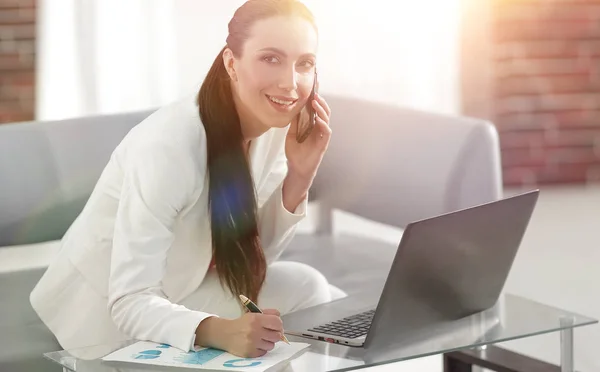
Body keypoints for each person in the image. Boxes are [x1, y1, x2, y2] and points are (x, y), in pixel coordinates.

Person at [30, 0, 342, 359]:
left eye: (304, 63)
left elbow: (252, 260)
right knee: (307, 303)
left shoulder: (274, 129)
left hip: (186, 289)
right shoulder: (169, 147)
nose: (291, 84)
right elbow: (129, 300)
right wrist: (219, 331)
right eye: (271, 58)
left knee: (317, 292)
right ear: (231, 62)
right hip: (105, 315)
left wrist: (301, 174)